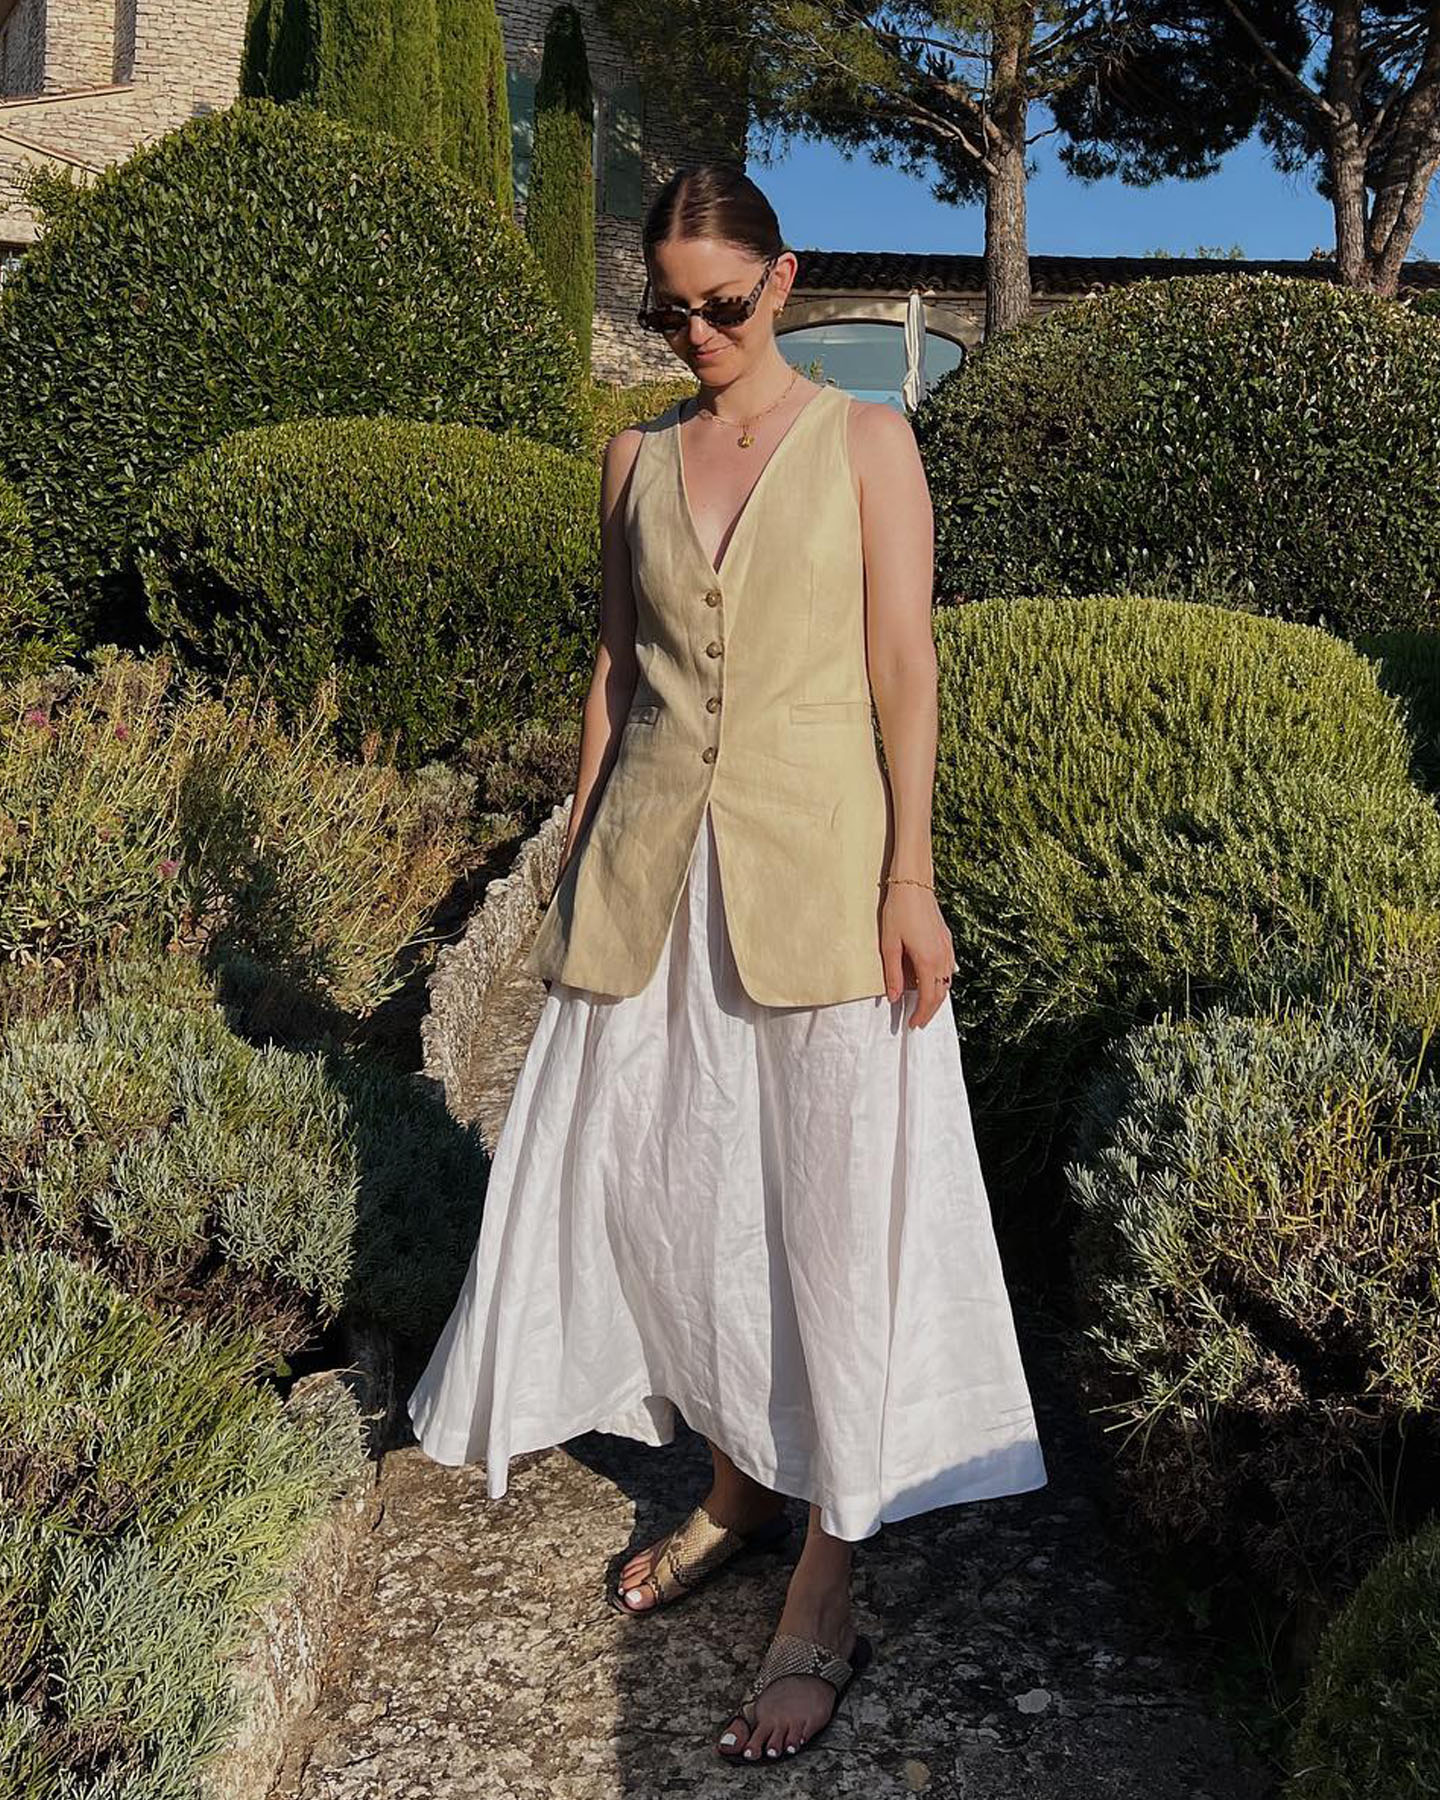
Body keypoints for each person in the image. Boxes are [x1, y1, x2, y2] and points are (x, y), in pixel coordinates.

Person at [408, 160, 1048, 1767]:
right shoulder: (630, 455)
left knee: (827, 1208)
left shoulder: (869, 441)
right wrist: (575, 845)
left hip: (826, 873)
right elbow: (619, 672)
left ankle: (828, 1564)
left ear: (782, 278)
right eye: (665, 306)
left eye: (720, 299)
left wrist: (914, 872)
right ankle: (738, 1480)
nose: (692, 329)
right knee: (675, 1193)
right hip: (651, 882)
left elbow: (906, 665)